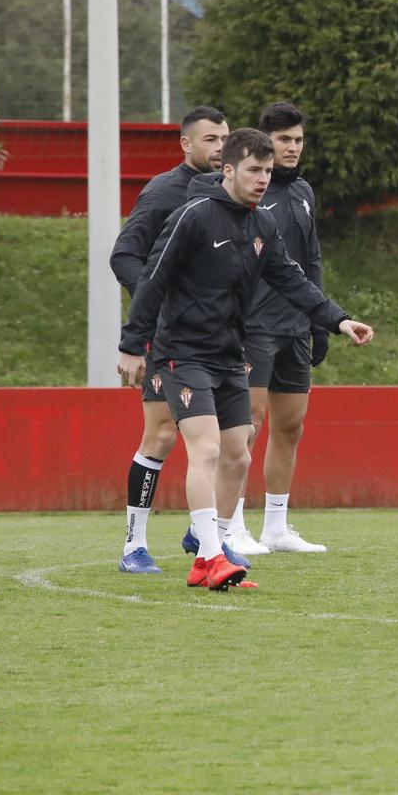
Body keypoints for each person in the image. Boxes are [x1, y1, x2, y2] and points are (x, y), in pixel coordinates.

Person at [117, 128, 373, 591]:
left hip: (229, 354)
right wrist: (133, 343)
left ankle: (207, 541)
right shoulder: (191, 216)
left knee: (238, 453)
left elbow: (293, 280)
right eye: (254, 169)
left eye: (268, 171)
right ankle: (209, 558)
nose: (262, 179)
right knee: (207, 449)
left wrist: (337, 320)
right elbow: (152, 279)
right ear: (229, 170)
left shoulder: (262, 225)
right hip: (182, 353)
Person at [108, 105, 228, 574]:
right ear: (186, 145)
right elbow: (124, 256)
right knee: (161, 435)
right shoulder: (163, 192)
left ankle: (205, 535)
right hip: (170, 338)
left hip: (219, 338)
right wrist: (156, 305)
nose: (220, 148)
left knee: (231, 435)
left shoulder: (230, 194)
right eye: (210, 140)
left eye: (224, 139)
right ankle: (134, 546)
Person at [230, 102, 332, 555]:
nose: (293, 148)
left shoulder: (305, 191)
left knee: (290, 426)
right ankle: (230, 523)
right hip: (254, 326)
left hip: (296, 325)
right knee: (246, 425)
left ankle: (275, 526)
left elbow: (310, 260)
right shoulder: (248, 191)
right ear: (265, 141)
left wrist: (322, 321)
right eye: (284, 140)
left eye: (299, 140)